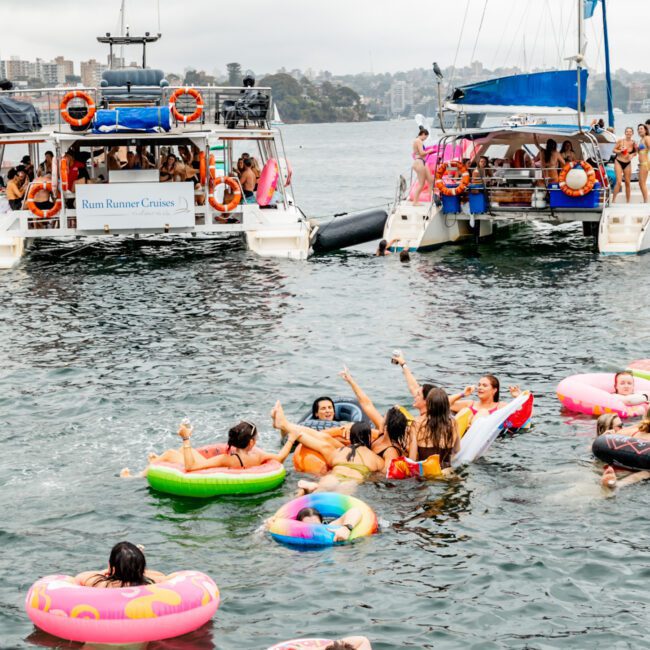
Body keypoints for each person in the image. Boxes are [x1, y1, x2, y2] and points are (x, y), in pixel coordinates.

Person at [271, 403, 383, 493]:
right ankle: (284, 424)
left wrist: (293, 434)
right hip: (351, 481)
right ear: (369, 437)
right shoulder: (375, 459)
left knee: (319, 491)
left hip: (333, 476)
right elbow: (379, 476)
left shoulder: (338, 452)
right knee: (336, 499)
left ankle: (310, 489)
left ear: (351, 436)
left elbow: (316, 443)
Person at [148, 420, 298, 472]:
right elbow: (281, 457)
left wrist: (186, 438)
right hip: (237, 464)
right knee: (181, 452)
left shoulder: (226, 459)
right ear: (251, 442)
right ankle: (157, 460)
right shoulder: (258, 456)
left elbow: (190, 467)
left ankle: (139, 475)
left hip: (202, 467)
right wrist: (291, 439)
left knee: (169, 453)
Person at [339, 366, 411, 465]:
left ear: (386, 427)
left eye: (383, 417)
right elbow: (367, 404)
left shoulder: (391, 452)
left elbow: (385, 475)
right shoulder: (383, 433)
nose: (381, 419)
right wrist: (350, 381)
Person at [75, 541, 168, 588]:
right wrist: (138, 565)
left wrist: (107, 571)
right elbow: (162, 576)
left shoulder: (103, 585)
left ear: (113, 568)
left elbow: (80, 577)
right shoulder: (150, 584)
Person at [408, 388, 460, 467]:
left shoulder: (417, 423)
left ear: (428, 404)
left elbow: (412, 458)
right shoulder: (453, 423)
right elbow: (457, 450)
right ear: (446, 405)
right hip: (447, 472)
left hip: (426, 473)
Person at [449, 374, 521, 422]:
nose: (480, 387)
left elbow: (522, 415)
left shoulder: (500, 406)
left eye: (484, 385)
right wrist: (463, 394)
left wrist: (518, 397)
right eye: (479, 385)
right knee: (465, 411)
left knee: (483, 412)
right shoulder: (469, 404)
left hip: (483, 439)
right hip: (461, 436)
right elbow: (443, 404)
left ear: (494, 390)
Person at [292, 505, 363, 543]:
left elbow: (355, 511)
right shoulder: (292, 535)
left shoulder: (329, 528)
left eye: (316, 525)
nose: (313, 529)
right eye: (308, 526)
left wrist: (346, 528)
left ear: (321, 522)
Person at [612, 127, 638, 203]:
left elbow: (635, 152)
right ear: (625, 133)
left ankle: (628, 202)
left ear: (632, 133)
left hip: (627, 163)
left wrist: (631, 155)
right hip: (619, 161)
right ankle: (613, 200)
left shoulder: (634, 143)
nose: (628, 133)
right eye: (627, 131)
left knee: (627, 182)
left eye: (630, 132)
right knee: (619, 182)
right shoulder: (620, 141)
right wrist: (620, 151)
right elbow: (613, 150)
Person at [411, 127, 433, 207]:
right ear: (423, 134)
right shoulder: (418, 141)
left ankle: (431, 198)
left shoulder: (417, 141)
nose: (425, 139)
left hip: (421, 162)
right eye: (425, 137)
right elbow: (422, 153)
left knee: (430, 180)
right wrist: (429, 151)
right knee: (421, 184)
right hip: (419, 162)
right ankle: (415, 201)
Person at [637, 123, 650, 203]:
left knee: (642, 183)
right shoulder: (641, 140)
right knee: (640, 183)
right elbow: (641, 152)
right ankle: (645, 200)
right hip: (641, 164)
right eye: (638, 129)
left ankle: (646, 201)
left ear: (645, 130)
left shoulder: (647, 137)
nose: (639, 130)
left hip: (645, 163)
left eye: (641, 128)